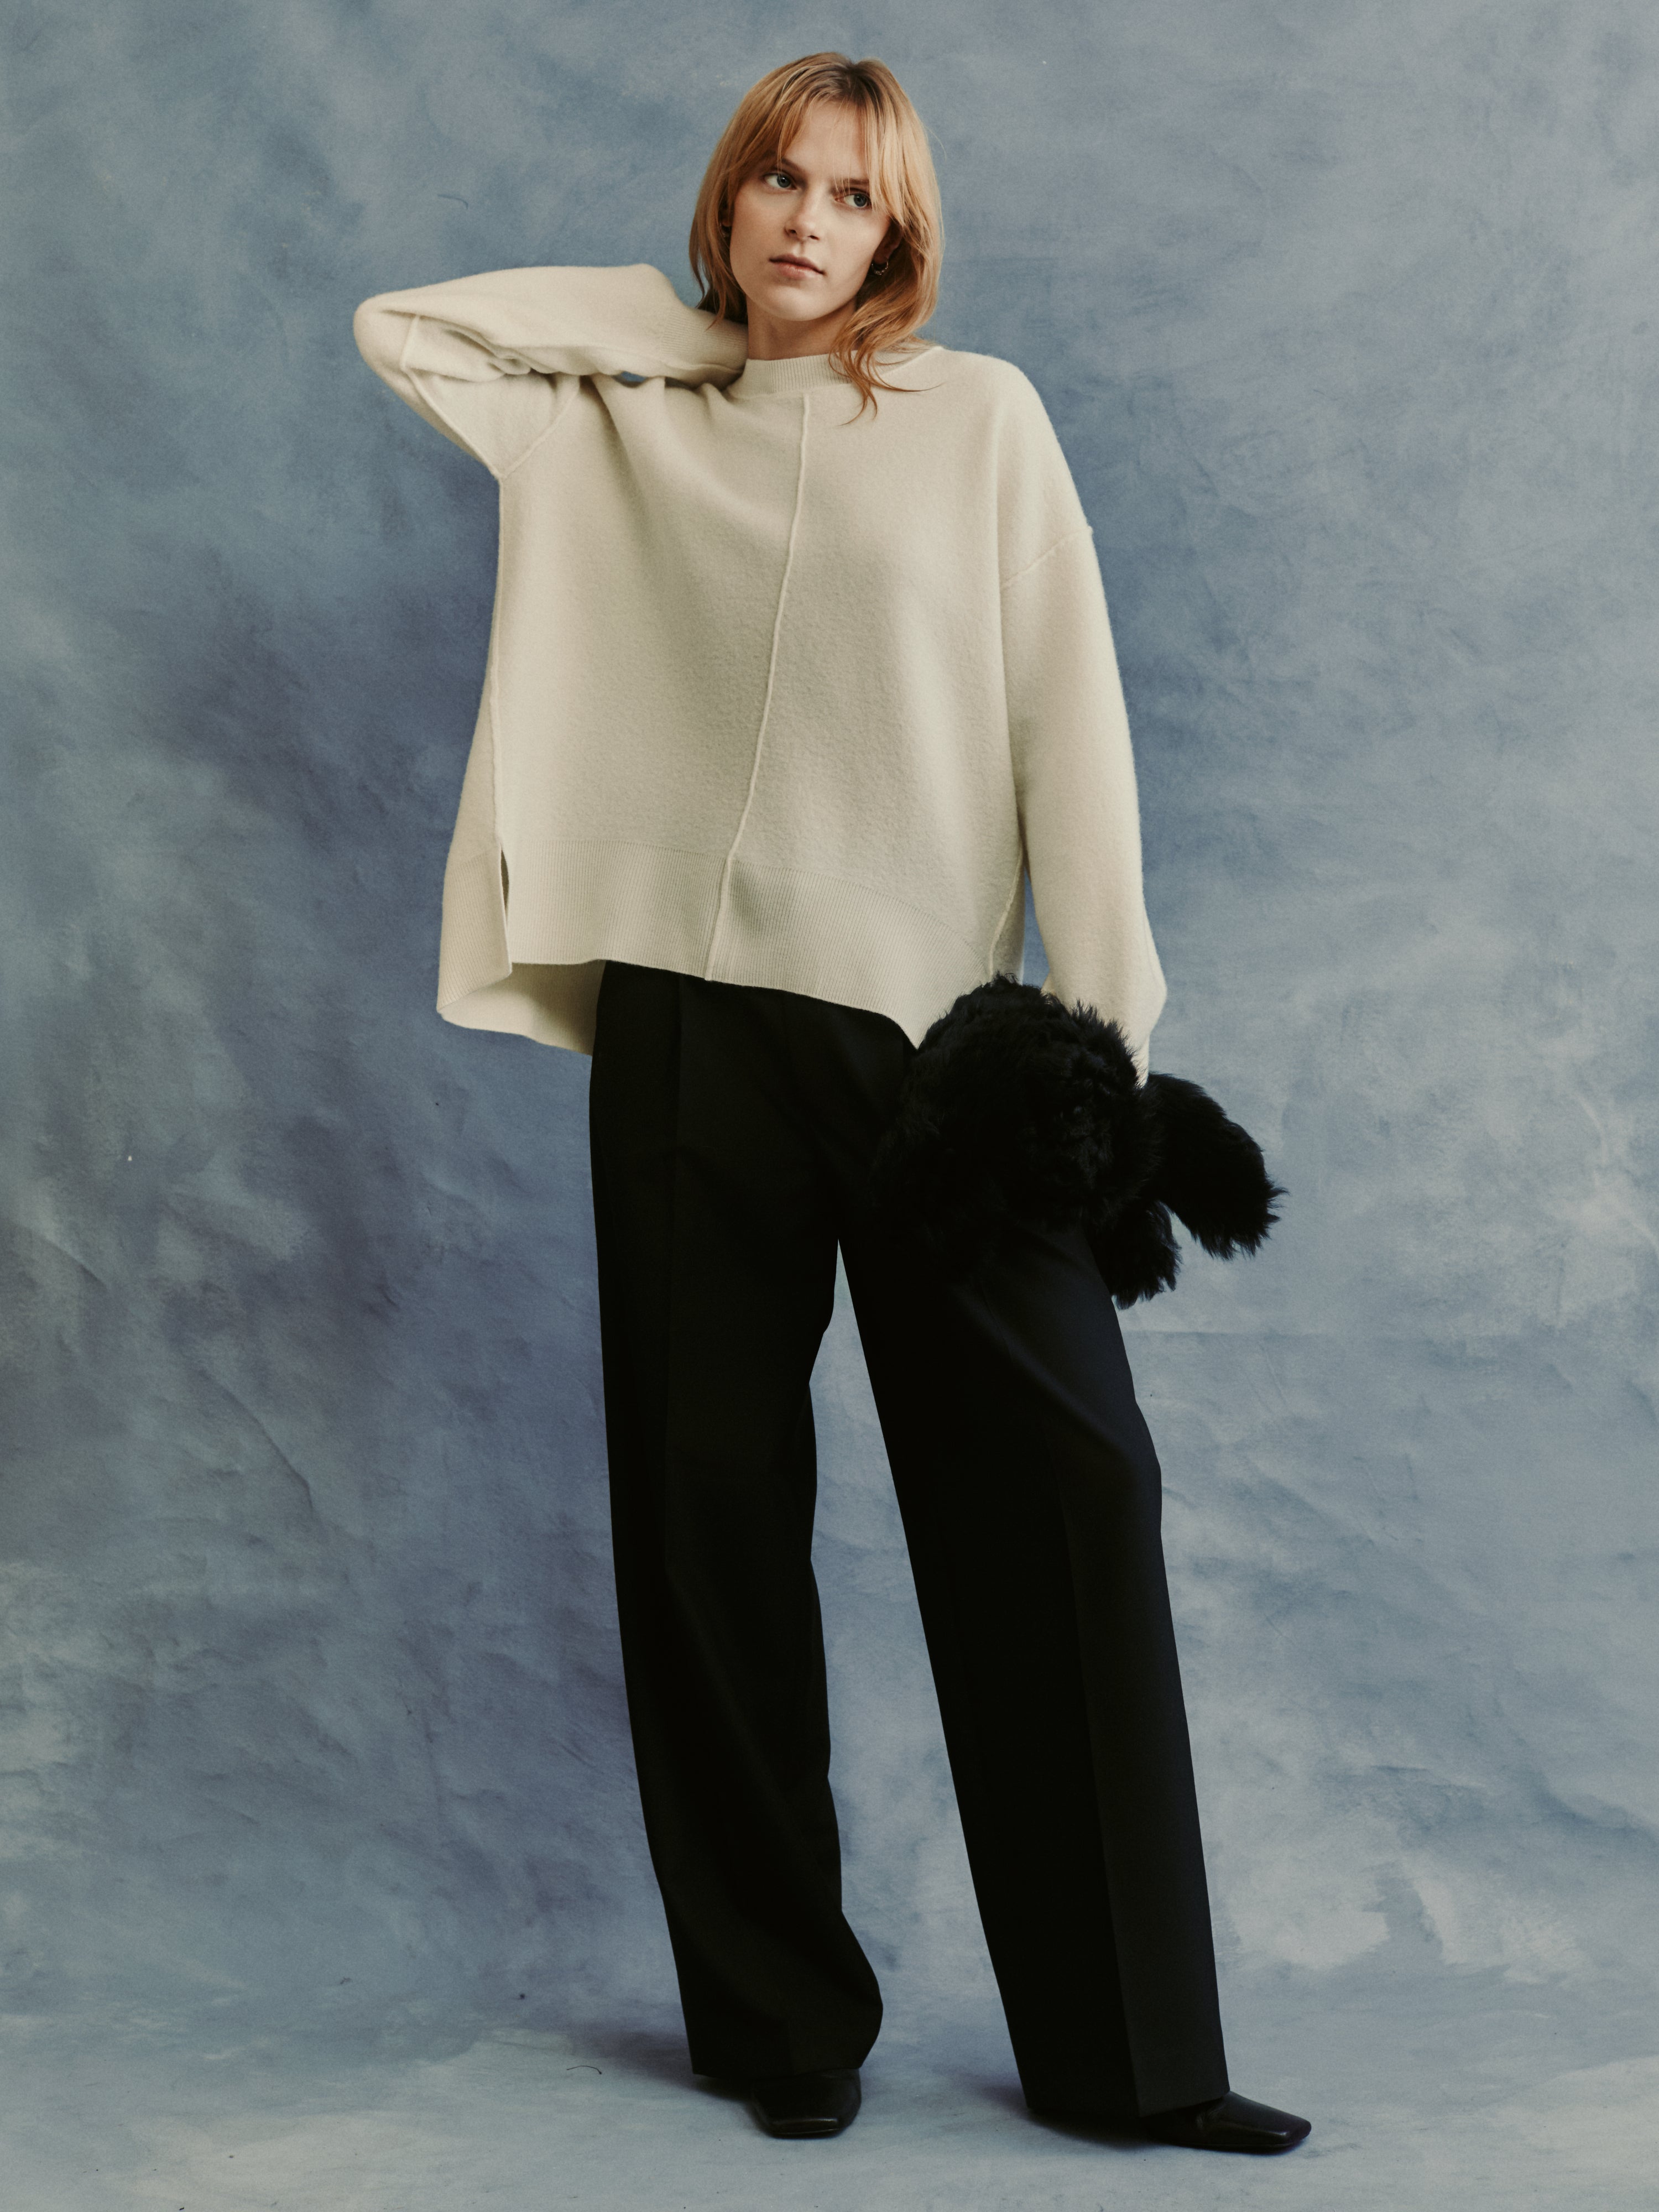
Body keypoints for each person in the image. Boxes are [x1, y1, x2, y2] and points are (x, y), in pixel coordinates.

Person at [353, 50, 1310, 2156]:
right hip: (688, 1034)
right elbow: (407, 330)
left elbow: (1074, 728)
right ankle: (780, 2023)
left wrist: (1106, 1050)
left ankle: (1133, 2059)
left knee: (1069, 1491)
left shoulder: (981, 422)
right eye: (778, 180)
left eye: (854, 195)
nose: (809, 220)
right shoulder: (621, 410)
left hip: (929, 1047)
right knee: (704, 1525)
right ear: (729, 201)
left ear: (905, 233)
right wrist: (700, 333)